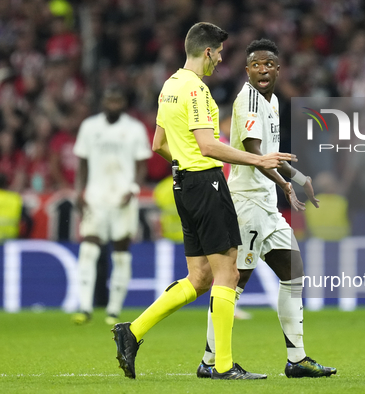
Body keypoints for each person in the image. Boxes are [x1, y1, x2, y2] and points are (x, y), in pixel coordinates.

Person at [111, 23, 294, 380]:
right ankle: (222, 366)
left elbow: (159, 144)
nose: (222, 59)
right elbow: (209, 146)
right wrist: (258, 160)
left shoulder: (170, 87)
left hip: (184, 185)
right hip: (206, 184)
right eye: (220, 52)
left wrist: (186, 167)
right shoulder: (196, 91)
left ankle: (131, 332)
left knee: (199, 278)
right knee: (228, 272)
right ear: (207, 51)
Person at [196, 38, 336, 379]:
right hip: (247, 203)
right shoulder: (248, 100)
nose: (263, 70)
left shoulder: (271, 102)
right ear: (247, 70)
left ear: (278, 70)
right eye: (257, 64)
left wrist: (300, 178)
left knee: (293, 273)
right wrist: (285, 183)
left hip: (266, 205)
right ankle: (210, 360)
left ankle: (297, 360)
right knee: (233, 281)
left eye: (270, 65)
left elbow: (271, 156)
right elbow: (256, 151)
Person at [71, 87, 151, 325]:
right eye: (110, 99)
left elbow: (141, 164)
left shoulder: (134, 129)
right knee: (89, 248)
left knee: (121, 253)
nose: (114, 104)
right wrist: (80, 190)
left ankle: (113, 310)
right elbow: (83, 162)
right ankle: (85, 307)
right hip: (96, 196)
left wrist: (134, 189)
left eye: (118, 100)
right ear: (103, 101)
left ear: (124, 102)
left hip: (122, 197)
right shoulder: (89, 127)